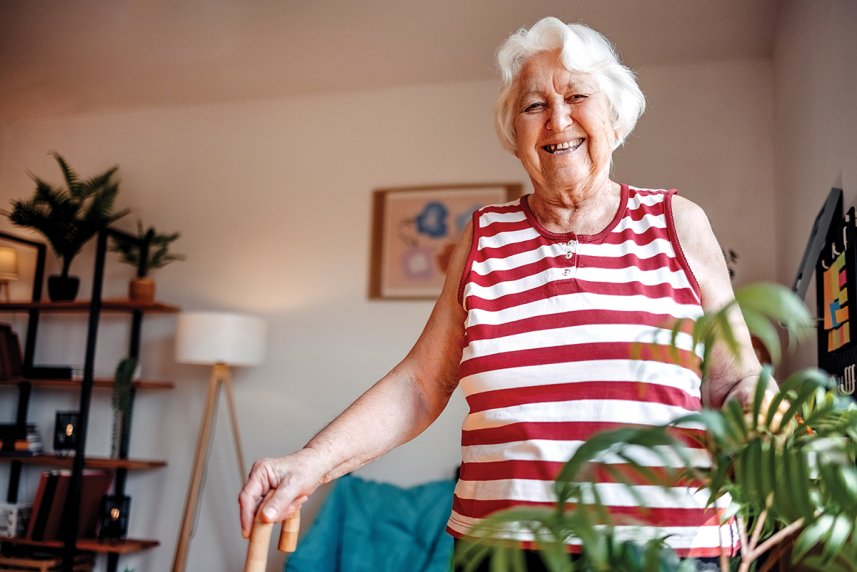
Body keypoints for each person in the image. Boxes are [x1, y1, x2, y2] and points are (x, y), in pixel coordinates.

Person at [239, 17, 772, 569]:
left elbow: (734, 379)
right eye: (533, 105)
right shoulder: (484, 236)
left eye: (576, 95)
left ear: (614, 116)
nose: (557, 118)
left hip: (666, 551)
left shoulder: (677, 225)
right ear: (513, 134)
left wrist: (767, 429)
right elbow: (421, 385)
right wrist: (312, 461)